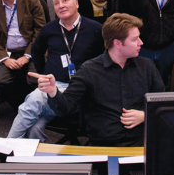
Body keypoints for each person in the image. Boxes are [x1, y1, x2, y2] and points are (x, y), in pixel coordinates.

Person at [29, 12, 163, 146]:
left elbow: (162, 102)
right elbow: (67, 108)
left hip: (142, 142)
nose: (141, 43)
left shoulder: (146, 66)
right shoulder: (89, 71)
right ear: (117, 43)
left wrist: (145, 115)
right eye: (135, 39)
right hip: (103, 145)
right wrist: (53, 91)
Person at [7, 0, 103, 141]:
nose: (61, 6)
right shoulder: (49, 29)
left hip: (81, 88)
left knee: (33, 102)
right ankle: (33, 157)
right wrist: (44, 74)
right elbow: (36, 51)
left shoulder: (95, 29)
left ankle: (8, 146)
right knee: (34, 126)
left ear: (77, 3)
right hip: (55, 83)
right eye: (56, 3)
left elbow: (105, 58)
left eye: (65, 1)